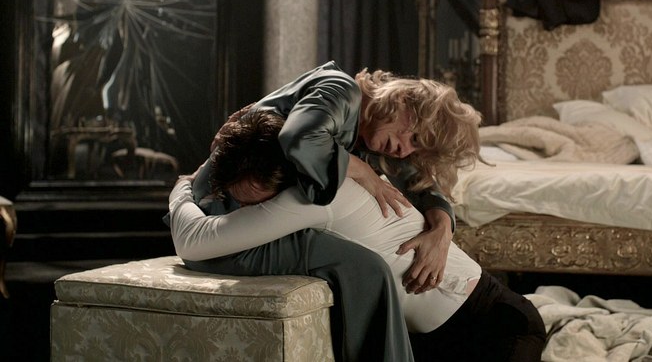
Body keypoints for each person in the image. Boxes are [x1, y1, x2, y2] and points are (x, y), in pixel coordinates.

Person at [165, 61, 482, 362]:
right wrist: (360, 170)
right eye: (413, 137)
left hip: (260, 220)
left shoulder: (372, 135)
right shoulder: (339, 89)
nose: (405, 149)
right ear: (401, 101)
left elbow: (422, 186)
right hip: (221, 213)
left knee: (366, 266)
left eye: (417, 148)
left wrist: (442, 231)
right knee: (365, 268)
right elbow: (300, 139)